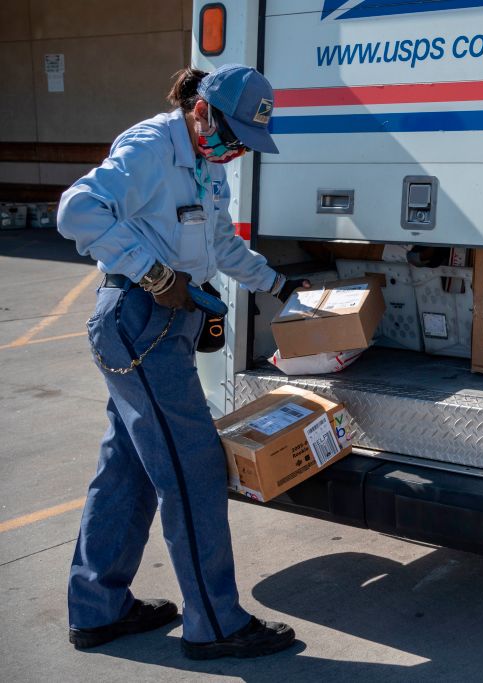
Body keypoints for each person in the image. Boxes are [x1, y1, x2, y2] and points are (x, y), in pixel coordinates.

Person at [57, 64, 308, 659]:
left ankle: (98, 608)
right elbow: (77, 210)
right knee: (193, 467)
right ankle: (216, 624)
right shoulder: (149, 147)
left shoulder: (202, 166)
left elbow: (219, 244)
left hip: (164, 325)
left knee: (130, 467)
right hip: (139, 316)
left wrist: (279, 285)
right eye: (233, 137)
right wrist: (151, 271)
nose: (234, 152)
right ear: (202, 112)